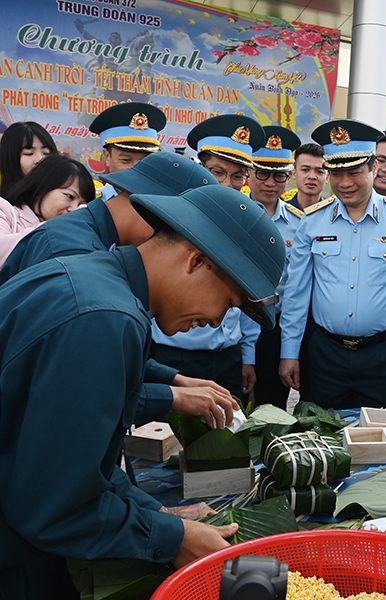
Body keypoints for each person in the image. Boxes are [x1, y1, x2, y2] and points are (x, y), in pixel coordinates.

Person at [0, 185, 285, 599]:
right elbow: (52, 507)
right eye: (228, 302)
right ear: (196, 261)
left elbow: (75, 460)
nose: (217, 319)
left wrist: (160, 517)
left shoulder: (94, 280)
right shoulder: (104, 320)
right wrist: (171, 538)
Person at [0, 152, 239, 428]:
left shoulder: (89, 238)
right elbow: (78, 389)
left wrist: (172, 379)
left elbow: (97, 355)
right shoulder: (73, 252)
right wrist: (171, 397)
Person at [279, 119, 386, 410]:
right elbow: (296, 293)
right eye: (336, 173)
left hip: (382, 356)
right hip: (324, 354)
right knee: (320, 440)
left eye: (354, 172)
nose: (344, 182)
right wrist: (289, 352)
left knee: (379, 444)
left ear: (373, 168)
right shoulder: (312, 220)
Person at [150, 115, 268, 400]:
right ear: (199, 167)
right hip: (173, 359)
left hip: (228, 358)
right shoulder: (169, 218)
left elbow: (250, 297)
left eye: (238, 175)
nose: (227, 183)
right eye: (218, 171)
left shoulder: (247, 223)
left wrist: (247, 355)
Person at [249, 126, 304, 411]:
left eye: (279, 174)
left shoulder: (300, 223)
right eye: (262, 172)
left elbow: (298, 288)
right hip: (233, 327)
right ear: (249, 172)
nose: (270, 182)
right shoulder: (231, 213)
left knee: (272, 411)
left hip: (276, 329)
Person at [0, 155, 93, 267]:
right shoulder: (4, 210)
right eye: (69, 196)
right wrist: (63, 225)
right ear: (43, 186)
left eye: (82, 204)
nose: (73, 209)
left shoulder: (76, 235)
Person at [89, 103, 167, 202]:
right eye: (126, 160)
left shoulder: (163, 205)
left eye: (144, 161)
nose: (135, 168)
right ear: (107, 157)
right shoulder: (91, 202)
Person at [0, 121, 58, 198]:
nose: (40, 159)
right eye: (29, 153)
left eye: (46, 153)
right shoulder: (4, 206)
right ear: (11, 159)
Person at [283, 143, 328, 211]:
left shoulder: (333, 217)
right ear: (294, 173)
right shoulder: (281, 213)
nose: (312, 177)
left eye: (319, 171)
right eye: (305, 170)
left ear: (327, 177)